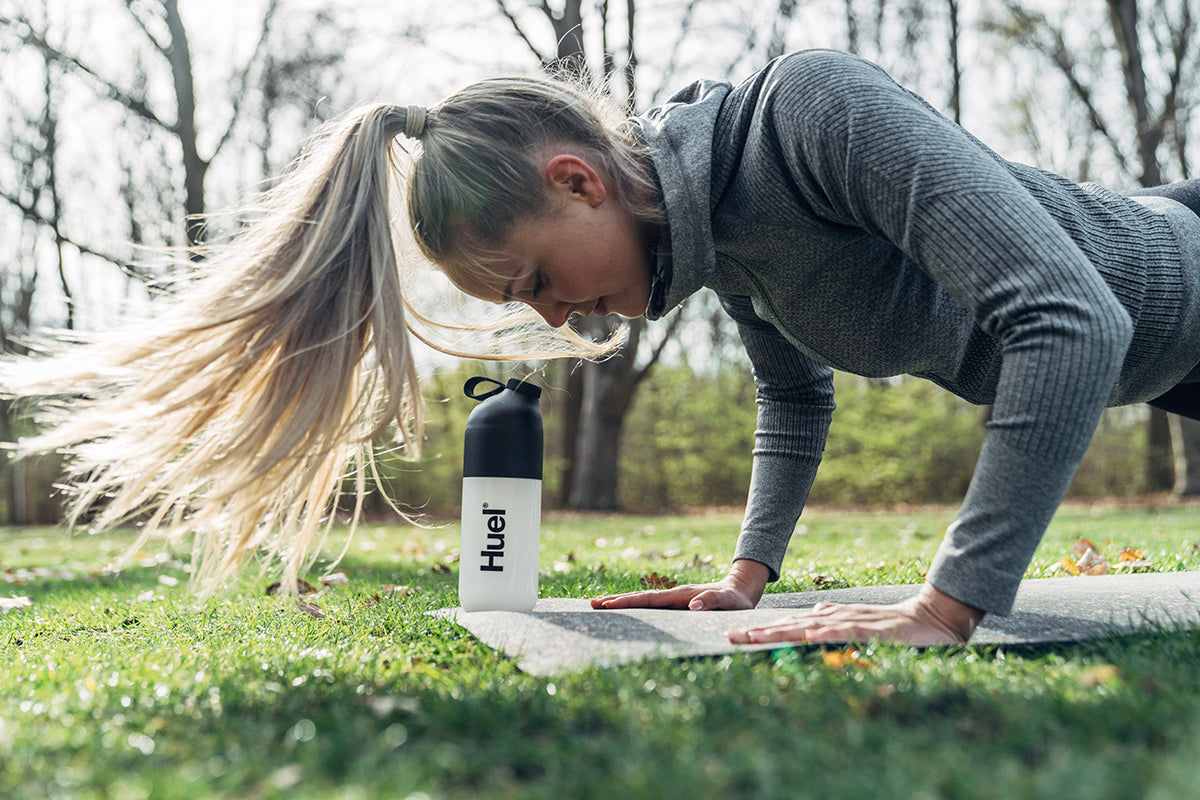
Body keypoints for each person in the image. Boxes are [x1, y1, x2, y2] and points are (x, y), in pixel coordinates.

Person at [5, 50, 1200, 646]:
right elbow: (794, 398)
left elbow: (1071, 319)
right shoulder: (721, 239)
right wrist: (748, 574)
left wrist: (948, 601)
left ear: (577, 180)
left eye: (532, 279)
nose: (549, 319)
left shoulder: (810, 115)